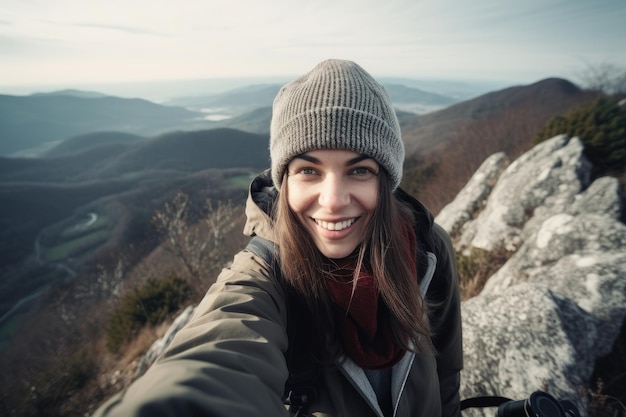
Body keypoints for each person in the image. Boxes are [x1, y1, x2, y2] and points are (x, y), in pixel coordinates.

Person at [93, 59, 463, 417]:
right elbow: (223, 349)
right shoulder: (266, 275)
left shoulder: (426, 252)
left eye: (360, 170)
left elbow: (446, 376)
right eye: (308, 170)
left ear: (386, 182)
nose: (333, 201)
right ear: (284, 182)